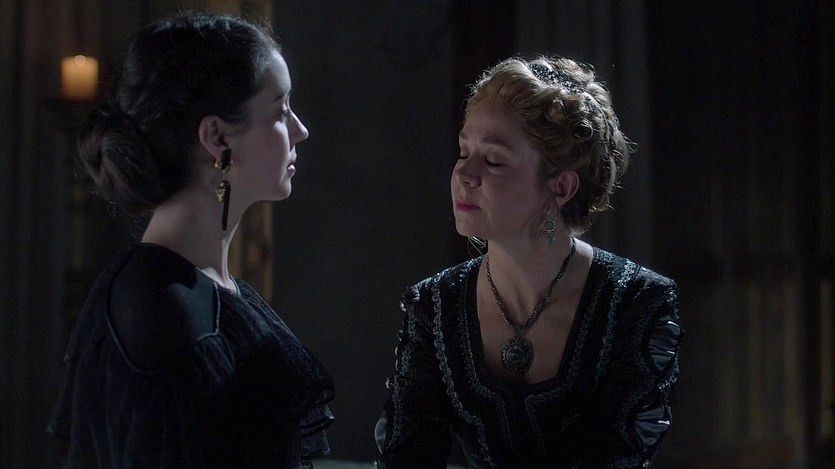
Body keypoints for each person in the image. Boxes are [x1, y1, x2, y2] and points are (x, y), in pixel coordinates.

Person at [47, 12, 334, 468]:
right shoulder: (162, 311)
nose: (300, 129)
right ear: (216, 136)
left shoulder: (207, 289)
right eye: (280, 111)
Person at [375, 56, 682, 468]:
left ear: (560, 187)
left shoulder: (637, 303)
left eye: (494, 160)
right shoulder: (434, 305)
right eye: (463, 152)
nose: (464, 174)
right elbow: (407, 456)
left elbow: (619, 456)